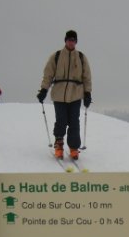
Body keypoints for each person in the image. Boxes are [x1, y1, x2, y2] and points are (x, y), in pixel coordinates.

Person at [37, 30, 92, 159]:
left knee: (74, 122)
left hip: (76, 94)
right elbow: (48, 74)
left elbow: (87, 77)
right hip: (59, 94)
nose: (71, 42)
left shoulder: (81, 58)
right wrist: (44, 90)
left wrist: (87, 94)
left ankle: (74, 147)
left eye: (73, 40)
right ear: (65, 40)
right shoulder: (56, 56)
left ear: (76, 42)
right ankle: (59, 144)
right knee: (61, 120)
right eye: (69, 39)